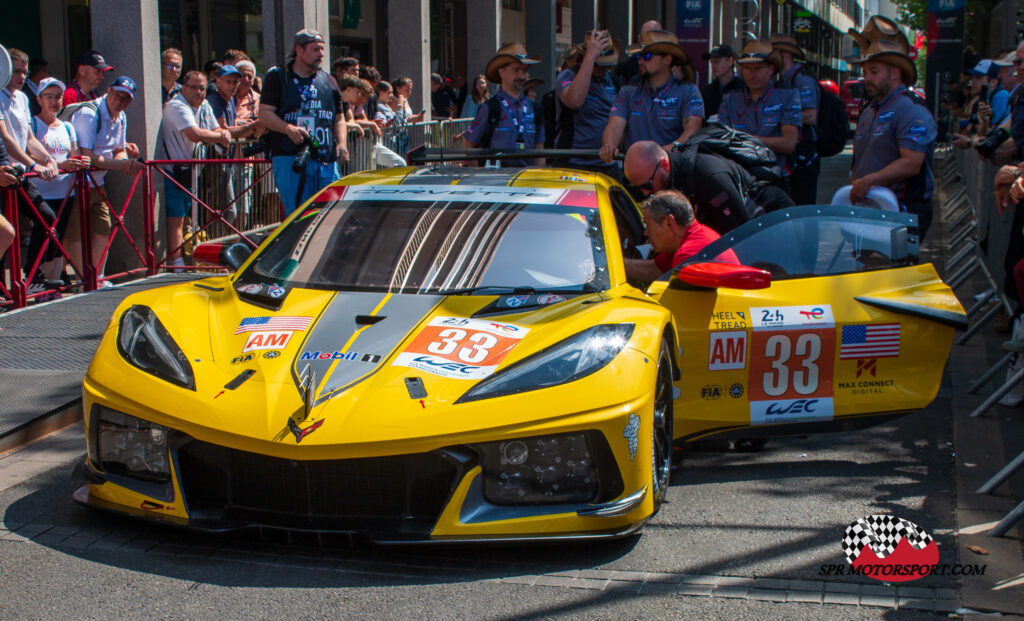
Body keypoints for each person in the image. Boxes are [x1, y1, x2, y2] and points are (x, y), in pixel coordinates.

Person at [849, 39, 937, 239]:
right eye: (865, 73)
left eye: (874, 71)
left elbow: (912, 163)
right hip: (870, 207)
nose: (867, 78)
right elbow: (859, 160)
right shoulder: (869, 110)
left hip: (903, 209)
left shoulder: (911, 109)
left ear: (895, 73)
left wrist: (868, 181)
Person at [258, 28, 346, 216]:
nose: (321, 54)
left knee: (330, 214)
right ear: (299, 50)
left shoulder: (329, 81)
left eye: (322, 49)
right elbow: (264, 114)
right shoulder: (279, 77)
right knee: (299, 217)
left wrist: (343, 144)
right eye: (315, 49)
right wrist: (287, 128)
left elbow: (339, 118)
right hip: (291, 158)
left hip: (325, 161)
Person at [623, 139, 791, 233]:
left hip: (773, 221)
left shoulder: (708, 177)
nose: (646, 192)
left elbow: (740, 235)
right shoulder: (670, 178)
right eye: (638, 188)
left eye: (648, 184)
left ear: (664, 165)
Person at [71, 76, 143, 284]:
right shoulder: (89, 113)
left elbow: (118, 150)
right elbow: (88, 157)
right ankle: (83, 281)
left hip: (97, 182)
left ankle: (97, 278)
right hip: (76, 183)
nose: (120, 101)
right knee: (75, 235)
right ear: (108, 91)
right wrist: (123, 165)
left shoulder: (121, 116)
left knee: (104, 228)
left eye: (125, 99)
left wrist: (125, 162)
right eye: (117, 95)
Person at [157, 71, 231, 270]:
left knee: (189, 217)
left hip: (193, 170)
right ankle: (177, 263)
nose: (199, 92)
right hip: (173, 170)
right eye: (194, 87)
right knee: (176, 218)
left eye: (202, 88)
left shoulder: (204, 105)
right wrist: (220, 137)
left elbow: (216, 129)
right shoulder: (176, 105)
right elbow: (195, 134)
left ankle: (190, 258)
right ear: (183, 87)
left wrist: (220, 134)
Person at [600, 30, 703, 164]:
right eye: (639, 56)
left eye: (647, 56)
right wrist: (609, 145)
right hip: (633, 173)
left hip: (672, 173)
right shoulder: (627, 92)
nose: (641, 61)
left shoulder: (689, 91)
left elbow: (692, 130)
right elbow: (615, 126)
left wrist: (667, 151)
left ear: (667, 59)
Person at [29, 77, 91, 286]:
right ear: (39, 99)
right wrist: (60, 164)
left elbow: (73, 153)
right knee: (44, 235)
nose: (54, 101)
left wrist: (79, 161)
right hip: (41, 192)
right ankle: (35, 281)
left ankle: (52, 283)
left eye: (58, 97)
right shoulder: (33, 124)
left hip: (65, 192)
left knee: (58, 239)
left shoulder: (67, 126)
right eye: (49, 97)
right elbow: (31, 153)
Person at [718, 40, 801, 191]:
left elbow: (789, 143)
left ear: (771, 68)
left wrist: (746, 139)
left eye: (758, 68)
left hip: (777, 180)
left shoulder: (788, 95)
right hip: (739, 179)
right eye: (747, 68)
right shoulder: (730, 98)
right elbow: (722, 140)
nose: (752, 74)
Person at [624, 190, 739, 282]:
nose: (646, 233)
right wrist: (613, 265)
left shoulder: (688, 255)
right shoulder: (695, 235)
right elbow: (653, 269)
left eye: (648, 225)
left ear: (669, 222)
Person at [461, 42, 544, 167]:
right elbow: (468, 145)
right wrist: (479, 176)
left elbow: (539, 151)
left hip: (526, 181)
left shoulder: (535, 109)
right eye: (516, 70)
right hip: (497, 182)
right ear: (502, 72)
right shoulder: (489, 108)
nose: (522, 75)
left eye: (524, 70)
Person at [555, 30, 622, 177]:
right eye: (598, 65)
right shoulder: (567, 76)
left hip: (608, 163)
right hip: (574, 163)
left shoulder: (613, 80)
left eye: (606, 65)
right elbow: (574, 101)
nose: (602, 69)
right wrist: (591, 57)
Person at [772, 34, 820, 206]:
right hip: (792, 157)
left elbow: (811, 115)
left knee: (803, 205)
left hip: (804, 155)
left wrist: (780, 119)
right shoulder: (784, 80)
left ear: (784, 55)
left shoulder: (802, 80)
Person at [700, 44, 742, 118]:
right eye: (711, 62)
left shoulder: (744, 88)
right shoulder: (706, 91)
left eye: (717, 62)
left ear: (730, 61)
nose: (713, 66)